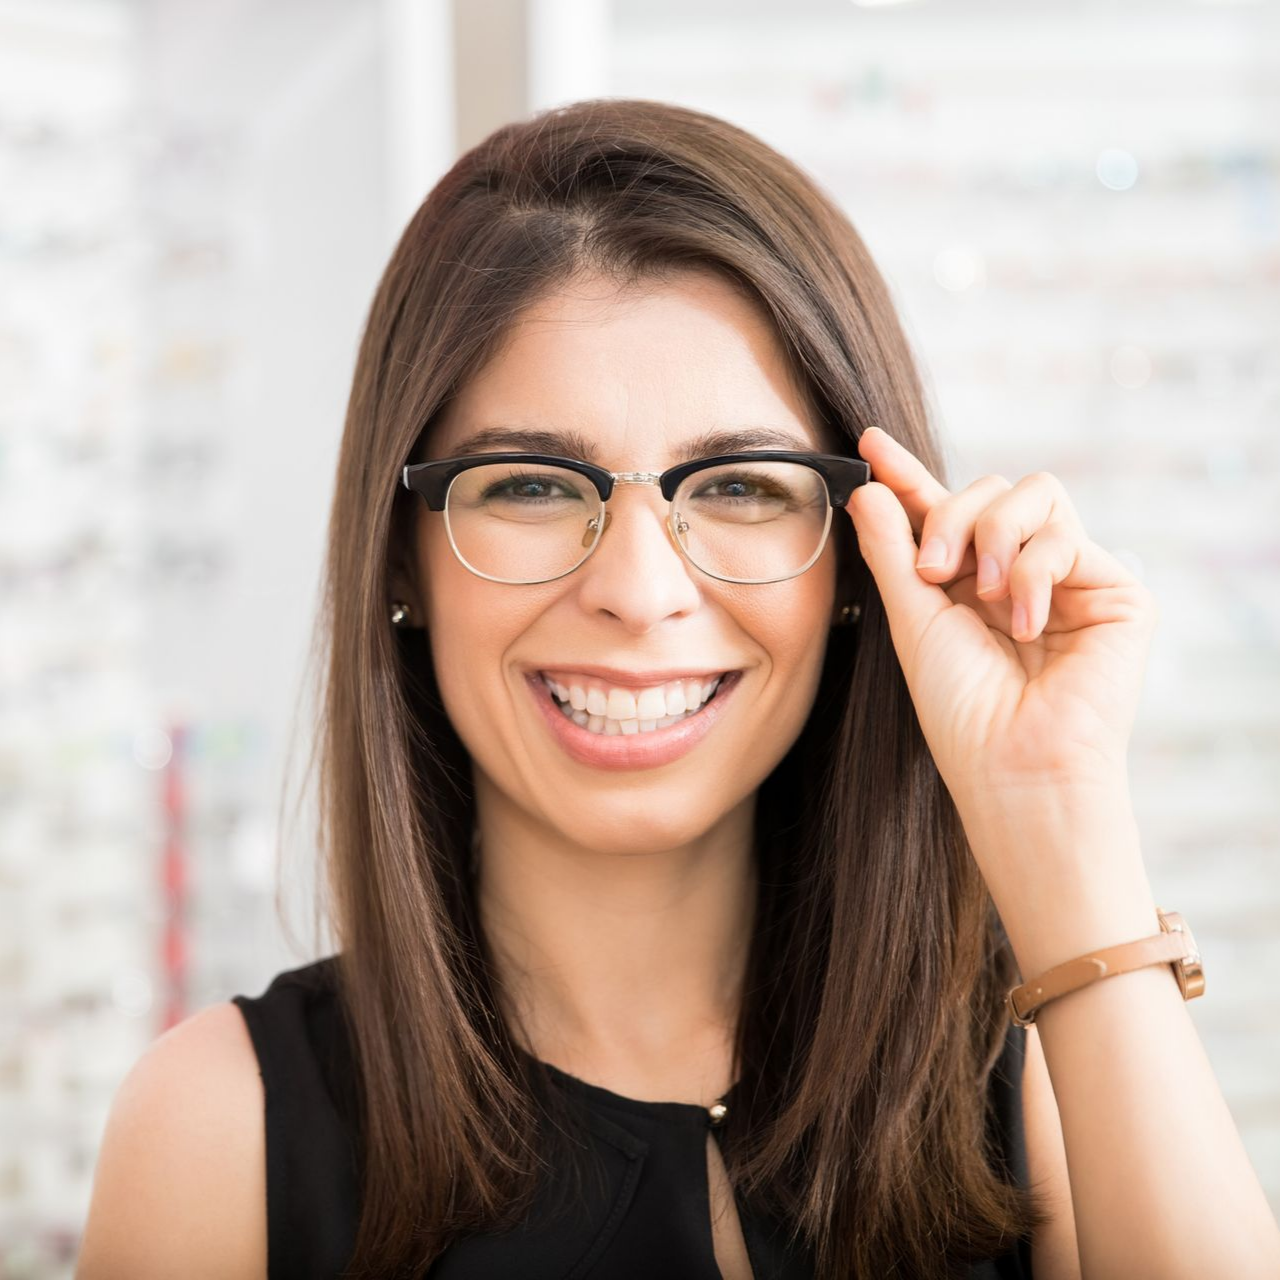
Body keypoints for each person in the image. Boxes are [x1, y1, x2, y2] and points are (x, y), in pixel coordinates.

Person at [75, 98, 1280, 1280]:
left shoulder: (1043, 1100)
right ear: (404, 555)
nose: (639, 590)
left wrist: (1052, 803)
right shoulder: (219, 1134)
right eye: (533, 485)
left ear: (861, 562)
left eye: (741, 486)